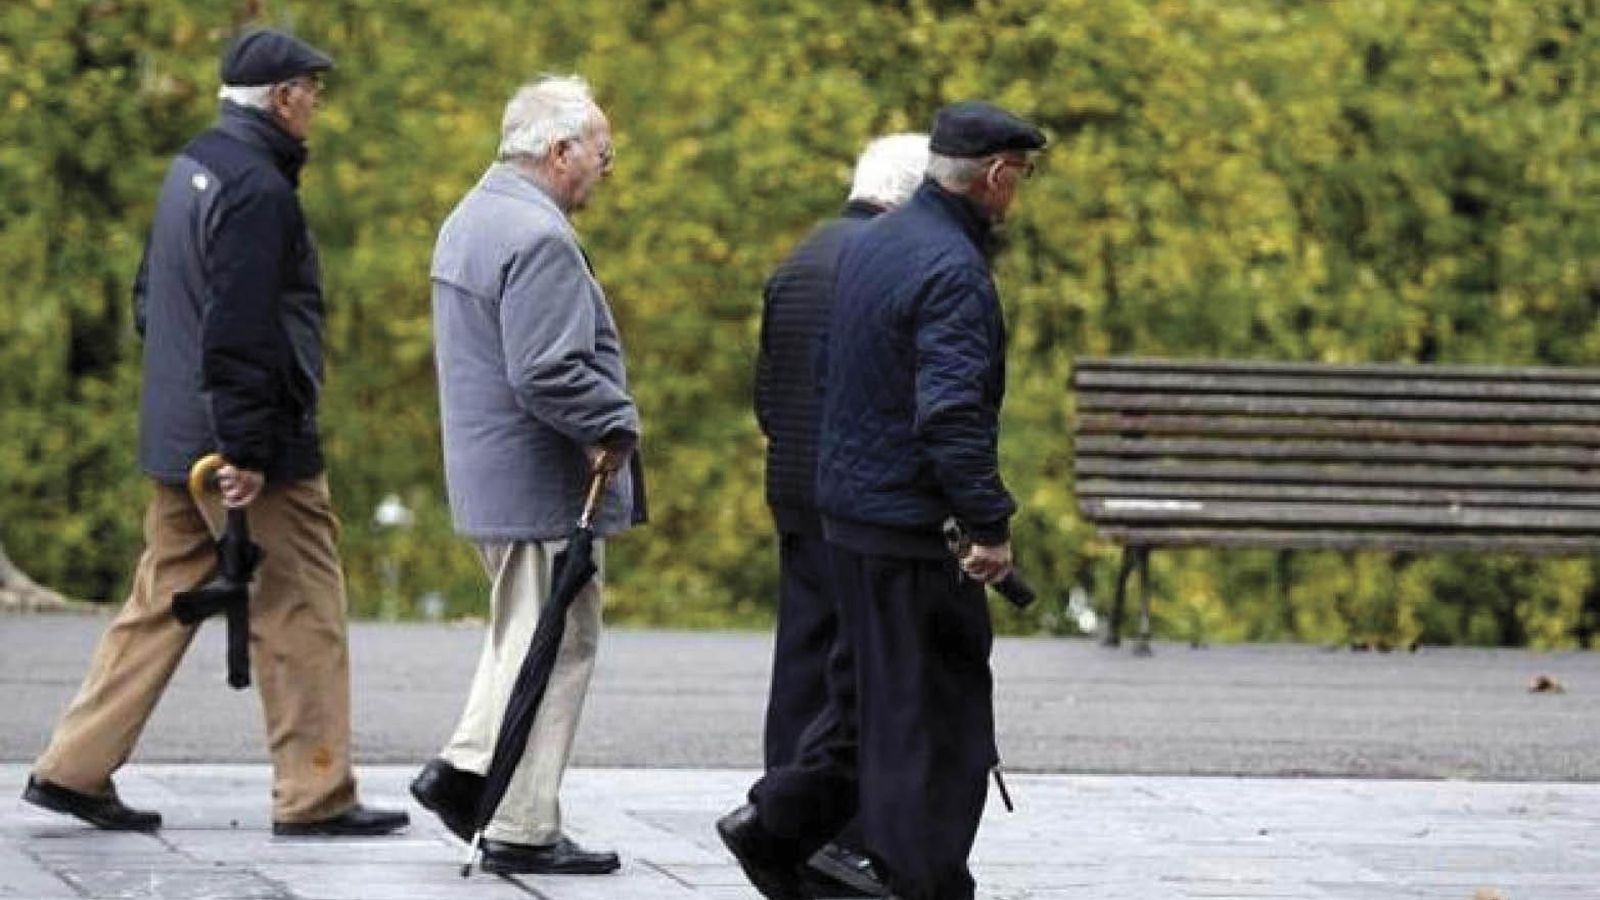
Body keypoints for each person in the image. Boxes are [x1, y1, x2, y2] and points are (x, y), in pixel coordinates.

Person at [23, 28, 409, 838]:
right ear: (281, 98)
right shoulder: (259, 191)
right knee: (302, 603)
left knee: (162, 598)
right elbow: (240, 329)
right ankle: (315, 793)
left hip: (179, 432)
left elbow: (149, 298)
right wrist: (246, 447)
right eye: (312, 90)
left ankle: (74, 767)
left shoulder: (192, 167)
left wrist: (190, 413)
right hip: (241, 446)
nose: (317, 105)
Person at [718, 101, 1045, 900]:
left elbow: (833, 382)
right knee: (938, 715)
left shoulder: (873, 246)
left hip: (849, 518)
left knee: (863, 694)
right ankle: (917, 878)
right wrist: (988, 524)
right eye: (1021, 178)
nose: (1018, 195)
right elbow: (951, 412)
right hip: (912, 526)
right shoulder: (955, 273)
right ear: (997, 176)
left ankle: (778, 824)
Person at [411, 74, 644, 876]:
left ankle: (466, 769)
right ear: (559, 150)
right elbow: (547, 370)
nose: (606, 170)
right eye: (601, 153)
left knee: (522, 635)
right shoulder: (537, 236)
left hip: (492, 478)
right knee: (557, 643)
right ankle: (518, 819)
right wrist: (614, 422)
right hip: (540, 484)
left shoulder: (471, 217)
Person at [753, 132, 929, 898]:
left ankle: (778, 815)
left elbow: (767, 388)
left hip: (792, 485)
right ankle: (836, 833)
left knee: (800, 662)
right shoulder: (885, 265)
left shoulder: (801, 256)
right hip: (856, 500)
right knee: (861, 673)